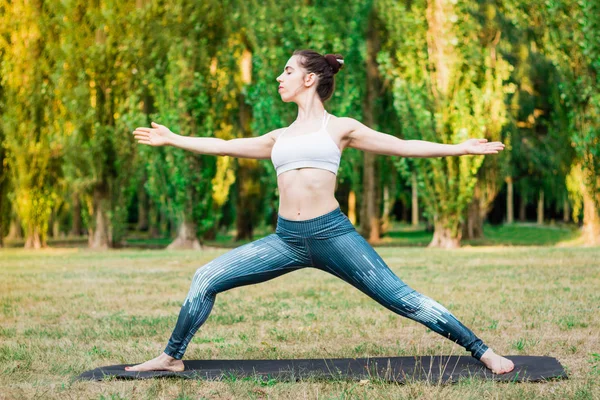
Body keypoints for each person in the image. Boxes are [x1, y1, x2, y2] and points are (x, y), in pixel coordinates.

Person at [128, 49, 514, 374]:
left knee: (403, 299)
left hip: (333, 236)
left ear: (310, 79)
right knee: (205, 276)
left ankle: (482, 350)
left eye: (288, 71)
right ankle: (171, 357)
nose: (280, 77)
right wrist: (173, 138)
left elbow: (401, 145)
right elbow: (224, 145)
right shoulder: (278, 137)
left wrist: (459, 148)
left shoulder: (340, 128)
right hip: (285, 241)